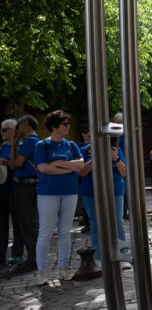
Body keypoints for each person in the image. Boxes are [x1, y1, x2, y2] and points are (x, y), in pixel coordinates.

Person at [34, 110, 84, 283]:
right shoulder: (42, 145)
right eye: (65, 124)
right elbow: (43, 168)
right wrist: (68, 168)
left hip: (70, 192)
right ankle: (41, 272)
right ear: (54, 126)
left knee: (65, 232)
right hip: (48, 193)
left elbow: (80, 165)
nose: (68, 127)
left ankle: (63, 269)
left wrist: (58, 164)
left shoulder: (71, 145)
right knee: (46, 232)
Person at [79, 138, 126, 264]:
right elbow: (82, 171)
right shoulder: (85, 150)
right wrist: (95, 157)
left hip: (115, 191)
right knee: (96, 224)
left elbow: (124, 172)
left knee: (117, 223)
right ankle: (98, 258)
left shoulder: (116, 150)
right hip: (91, 193)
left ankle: (122, 256)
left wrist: (116, 158)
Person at [8, 114, 41, 275]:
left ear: (26, 124)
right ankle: (34, 257)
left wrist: (14, 144)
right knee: (28, 222)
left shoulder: (30, 141)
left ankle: (34, 259)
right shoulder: (35, 140)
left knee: (28, 223)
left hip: (27, 187)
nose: (17, 130)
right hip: (30, 185)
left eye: (18, 126)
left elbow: (16, 164)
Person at [0, 119, 24, 265]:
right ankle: (1, 254)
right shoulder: (2, 146)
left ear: (13, 130)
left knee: (17, 223)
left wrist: (7, 163)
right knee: (2, 224)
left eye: (4, 129)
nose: (1, 132)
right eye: (1, 129)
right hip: (2, 189)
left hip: (15, 189)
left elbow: (20, 165)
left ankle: (17, 252)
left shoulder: (21, 146)